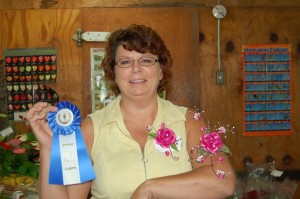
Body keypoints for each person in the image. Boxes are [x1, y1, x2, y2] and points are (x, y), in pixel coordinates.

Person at [26, 24, 236, 199]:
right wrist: (48, 149)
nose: (136, 69)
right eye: (125, 62)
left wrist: (150, 187)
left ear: (161, 70)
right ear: (113, 72)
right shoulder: (90, 129)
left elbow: (224, 180)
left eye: (146, 60)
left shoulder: (190, 121)